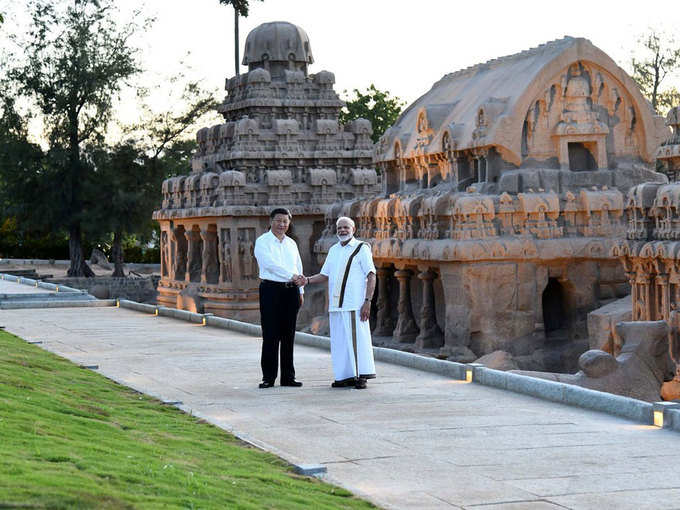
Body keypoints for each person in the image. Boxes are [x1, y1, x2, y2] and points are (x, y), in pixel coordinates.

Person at [297, 216, 376, 389]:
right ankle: (344, 376)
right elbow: (324, 275)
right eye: (339, 227)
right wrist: (307, 280)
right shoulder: (333, 250)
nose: (342, 230)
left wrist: (367, 301)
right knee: (340, 342)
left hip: (354, 304)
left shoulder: (361, 248)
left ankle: (361, 375)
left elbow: (371, 275)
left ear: (353, 229)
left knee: (357, 340)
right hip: (336, 305)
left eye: (346, 227)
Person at [253, 208, 304, 389]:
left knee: (288, 335)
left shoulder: (291, 243)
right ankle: (268, 377)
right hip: (271, 290)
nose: (282, 224)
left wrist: (301, 290)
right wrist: (292, 276)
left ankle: (288, 377)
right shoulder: (262, 241)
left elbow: (298, 265)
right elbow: (269, 264)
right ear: (271, 221)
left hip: (291, 291)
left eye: (285, 221)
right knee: (270, 334)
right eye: (279, 221)